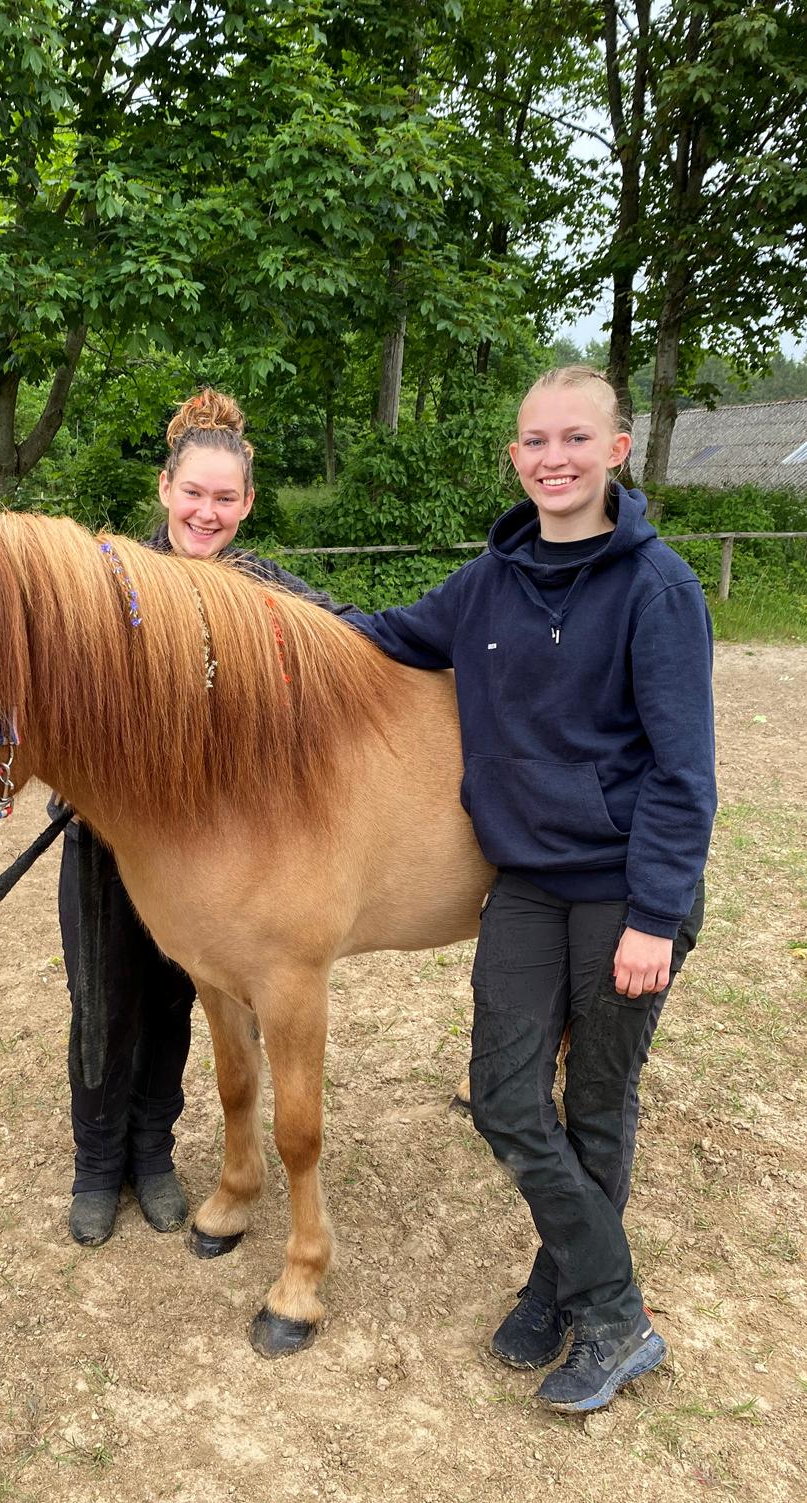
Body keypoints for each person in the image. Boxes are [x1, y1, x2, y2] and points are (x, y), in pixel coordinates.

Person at [342, 365, 716, 1413]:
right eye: (534, 441)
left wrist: (652, 916)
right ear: (515, 458)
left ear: (615, 451)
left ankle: (591, 1308)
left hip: (623, 895)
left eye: (573, 439)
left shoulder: (659, 588)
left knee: (595, 1105)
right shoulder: (488, 583)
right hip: (527, 886)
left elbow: (687, 777)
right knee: (508, 1100)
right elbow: (380, 632)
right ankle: (602, 1294)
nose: (552, 458)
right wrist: (255, 595)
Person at [58, 389, 352, 1248]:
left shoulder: (262, 589)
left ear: (247, 504)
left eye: (226, 499)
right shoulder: (107, 583)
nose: (207, 512)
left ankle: (152, 1154)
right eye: (194, 494)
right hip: (108, 842)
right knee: (102, 1003)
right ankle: (95, 1161)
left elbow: (344, 634)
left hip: (207, 855)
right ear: (165, 488)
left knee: (180, 1003)